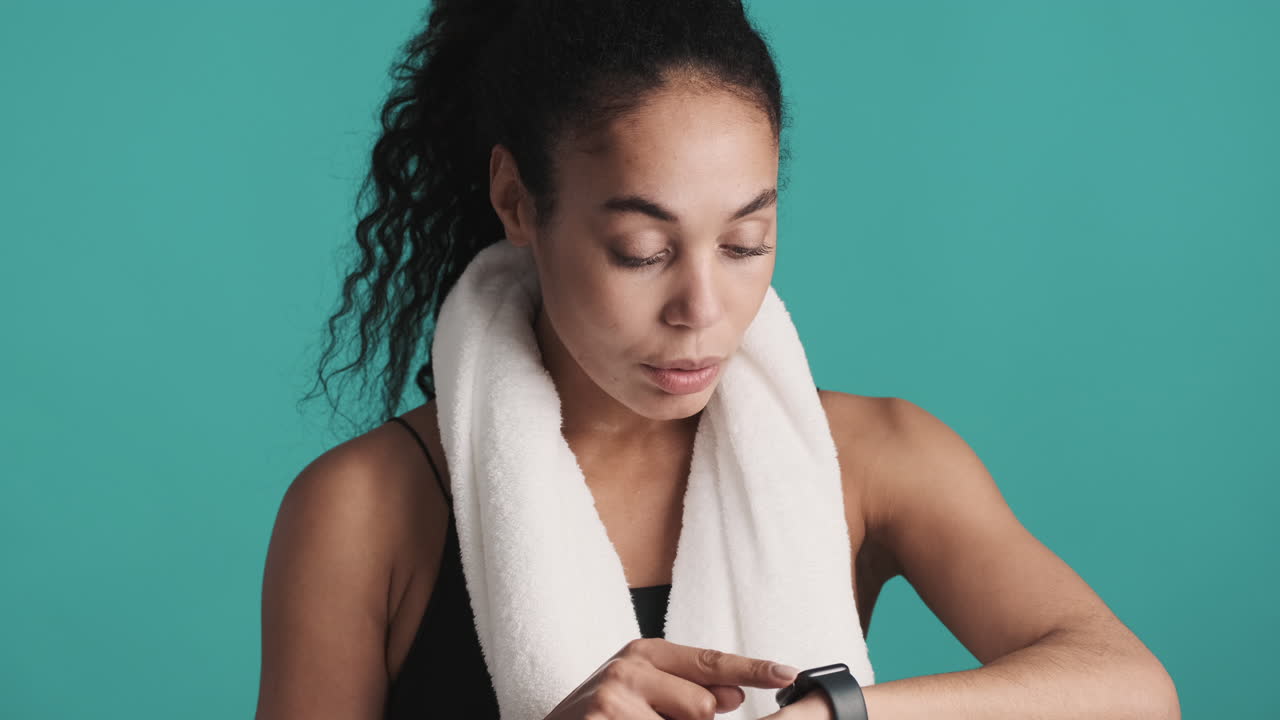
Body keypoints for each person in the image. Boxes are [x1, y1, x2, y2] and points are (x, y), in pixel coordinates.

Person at [256, 1, 1180, 719]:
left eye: (745, 243)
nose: (702, 310)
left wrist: (834, 714)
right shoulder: (366, 511)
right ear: (517, 200)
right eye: (642, 251)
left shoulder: (873, 457)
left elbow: (1132, 690)